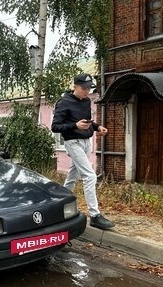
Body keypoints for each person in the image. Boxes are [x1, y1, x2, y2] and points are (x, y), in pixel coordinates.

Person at [51, 73, 115, 230]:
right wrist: (74, 126)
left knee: (73, 175)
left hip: (86, 142)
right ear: (75, 86)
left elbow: (88, 121)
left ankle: (61, 204)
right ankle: (95, 215)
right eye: (84, 88)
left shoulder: (86, 101)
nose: (87, 91)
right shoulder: (64, 102)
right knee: (90, 176)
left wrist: (97, 127)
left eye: (89, 88)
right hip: (73, 142)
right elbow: (55, 126)